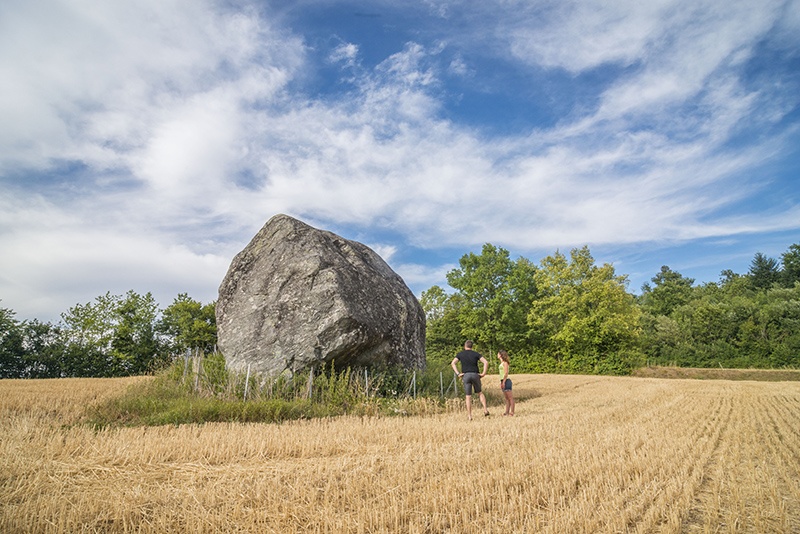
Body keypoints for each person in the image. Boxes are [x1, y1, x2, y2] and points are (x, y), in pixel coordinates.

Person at [451, 340, 489, 420]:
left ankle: (470, 416)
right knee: (480, 393)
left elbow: (453, 363)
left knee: (468, 396)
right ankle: (485, 410)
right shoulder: (475, 354)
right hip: (475, 374)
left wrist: (458, 373)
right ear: (471, 347)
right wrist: (483, 373)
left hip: (466, 375)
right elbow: (485, 362)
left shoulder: (460, 354)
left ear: (465, 346)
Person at [497, 350, 515, 416]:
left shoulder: (505, 363)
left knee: (510, 397)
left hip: (506, 380)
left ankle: (512, 412)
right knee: (507, 398)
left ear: (501, 355)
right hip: (503, 380)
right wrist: (501, 382)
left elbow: (506, 372)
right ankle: (507, 411)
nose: (497, 355)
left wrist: (504, 382)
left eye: (498, 354)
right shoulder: (501, 363)